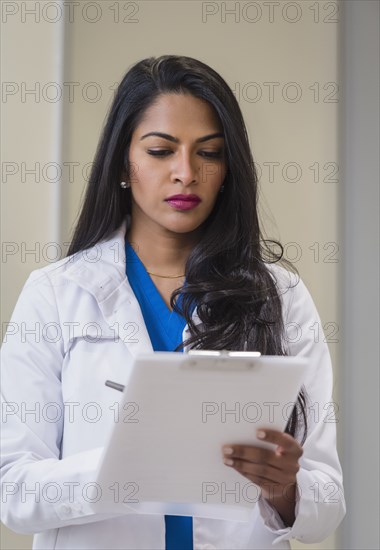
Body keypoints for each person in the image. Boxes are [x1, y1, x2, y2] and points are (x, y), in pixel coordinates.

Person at [0, 55, 345, 550]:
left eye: (209, 153)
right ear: (124, 162)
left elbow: (327, 504)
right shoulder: (56, 294)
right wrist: (128, 465)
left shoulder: (281, 298)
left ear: (228, 169)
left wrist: (286, 489)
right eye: (161, 151)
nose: (186, 173)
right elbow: (13, 491)